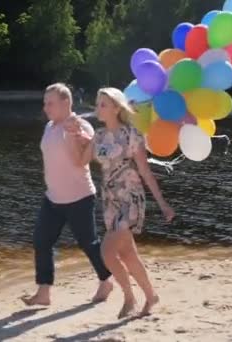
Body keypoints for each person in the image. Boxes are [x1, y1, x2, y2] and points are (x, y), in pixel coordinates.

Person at [66, 87, 176, 318]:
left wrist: (162, 203)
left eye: (103, 104)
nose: (98, 108)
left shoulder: (132, 134)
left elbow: (145, 172)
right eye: (97, 104)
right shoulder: (99, 136)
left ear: (117, 108)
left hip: (130, 198)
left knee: (107, 252)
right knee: (127, 255)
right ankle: (151, 295)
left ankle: (129, 297)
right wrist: (76, 137)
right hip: (110, 201)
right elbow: (80, 161)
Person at [21, 83, 113, 307]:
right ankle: (44, 292)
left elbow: (82, 157)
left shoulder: (82, 127)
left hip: (79, 198)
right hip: (53, 198)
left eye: (50, 103)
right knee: (42, 241)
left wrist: (75, 134)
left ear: (66, 103)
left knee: (88, 243)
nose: (45, 107)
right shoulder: (50, 127)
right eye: (44, 103)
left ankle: (107, 279)